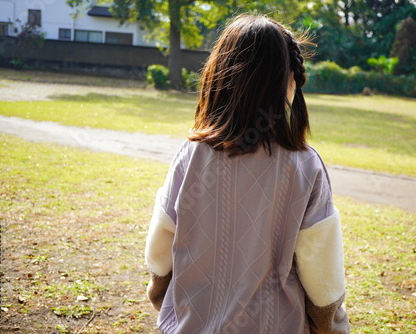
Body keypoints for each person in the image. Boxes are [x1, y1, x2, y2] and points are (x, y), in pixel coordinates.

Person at [144, 14, 349, 334]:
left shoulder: (192, 154)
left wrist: (163, 296)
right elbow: (322, 278)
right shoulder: (305, 166)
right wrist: (330, 327)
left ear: (217, 78)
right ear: (289, 81)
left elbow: (161, 248)